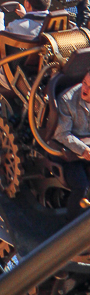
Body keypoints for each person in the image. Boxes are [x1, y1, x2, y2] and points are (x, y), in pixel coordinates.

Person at [54, 71, 90, 221]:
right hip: (69, 154)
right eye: (85, 82)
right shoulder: (67, 100)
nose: (85, 88)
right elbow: (62, 134)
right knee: (82, 186)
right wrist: (84, 150)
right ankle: (72, 226)